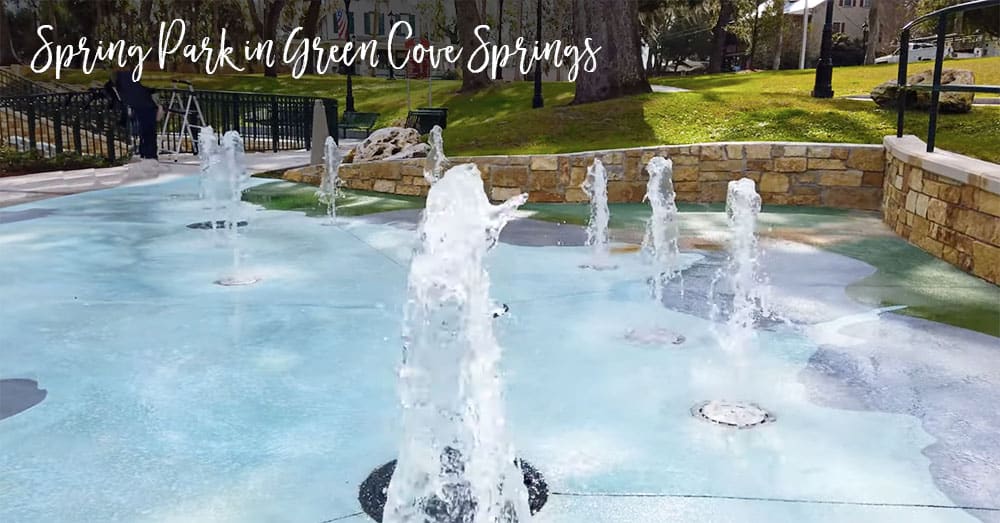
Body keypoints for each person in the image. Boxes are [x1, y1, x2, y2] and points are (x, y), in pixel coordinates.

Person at [113, 71, 159, 161]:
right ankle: (150, 154)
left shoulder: (121, 74)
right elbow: (147, 86)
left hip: (133, 100)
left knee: (144, 128)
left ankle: (145, 152)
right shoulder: (133, 73)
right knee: (149, 129)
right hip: (144, 101)